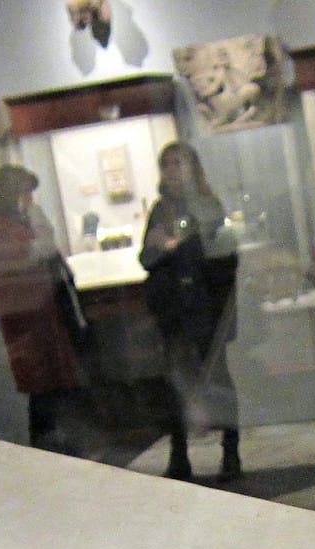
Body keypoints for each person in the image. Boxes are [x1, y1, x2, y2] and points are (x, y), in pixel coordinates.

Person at [139, 141, 242, 482]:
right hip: (174, 309)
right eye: (166, 164)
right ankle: (179, 453)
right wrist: (161, 246)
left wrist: (174, 244)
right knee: (174, 382)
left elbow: (215, 250)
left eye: (178, 164)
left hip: (206, 306)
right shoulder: (160, 209)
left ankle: (231, 451)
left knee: (218, 378)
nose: (172, 171)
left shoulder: (208, 205)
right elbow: (147, 258)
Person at [0, 163, 85, 454]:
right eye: (25, 194)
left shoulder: (8, 224)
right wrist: (38, 222)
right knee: (43, 391)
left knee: (52, 389)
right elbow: (33, 254)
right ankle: (48, 452)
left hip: (39, 311)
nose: (29, 201)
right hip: (26, 315)